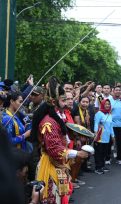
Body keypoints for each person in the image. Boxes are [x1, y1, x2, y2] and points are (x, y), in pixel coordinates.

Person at [31, 76, 89, 204]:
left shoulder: (57, 117)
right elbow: (54, 149)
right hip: (50, 165)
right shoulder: (48, 123)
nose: (67, 103)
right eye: (63, 100)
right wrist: (77, 153)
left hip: (59, 164)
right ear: (53, 102)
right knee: (52, 198)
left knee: (61, 197)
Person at [94, 99, 115, 174]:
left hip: (107, 136)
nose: (107, 105)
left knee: (104, 152)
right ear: (102, 104)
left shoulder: (109, 114)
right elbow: (96, 123)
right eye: (105, 104)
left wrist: (113, 135)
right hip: (100, 136)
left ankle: (102, 165)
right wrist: (95, 133)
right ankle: (98, 167)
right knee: (99, 152)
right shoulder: (99, 113)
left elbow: (111, 125)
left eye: (108, 104)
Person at [110, 86, 121, 164]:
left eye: (119, 90)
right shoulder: (109, 100)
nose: (118, 91)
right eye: (116, 90)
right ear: (113, 91)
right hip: (111, 125)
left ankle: (119, 158)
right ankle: (107, 158)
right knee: (109, 142)